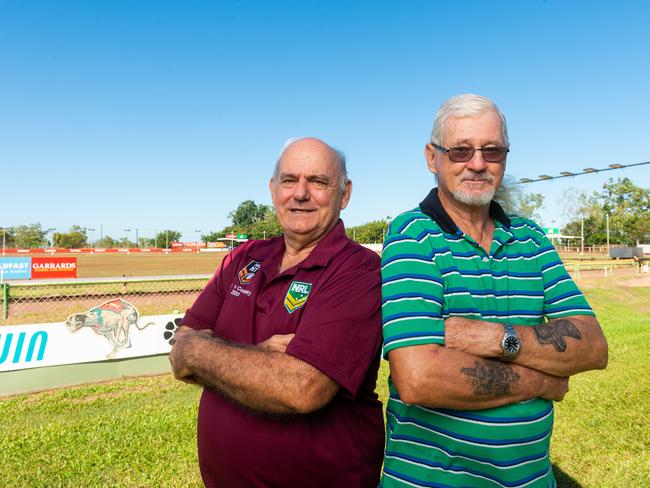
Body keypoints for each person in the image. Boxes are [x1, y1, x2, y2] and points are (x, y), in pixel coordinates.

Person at [380, 94, 608, 487]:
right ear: (432, 158)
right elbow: (419, 376)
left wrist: (491, 338)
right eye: (460, 150)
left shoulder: (531, 238)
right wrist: (541, 381)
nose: (478, 163)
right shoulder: (413, 237)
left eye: (493, 150)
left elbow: (591, 345)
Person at [170, 137, 384, 487]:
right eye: (289, 180)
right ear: (273, 190)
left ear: (344, 194)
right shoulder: (243, 258)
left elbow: (300, 388)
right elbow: (181, 353)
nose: (300, 193)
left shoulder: (358, 269)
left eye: (318, 181)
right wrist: (256, 356)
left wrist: (203, 352)